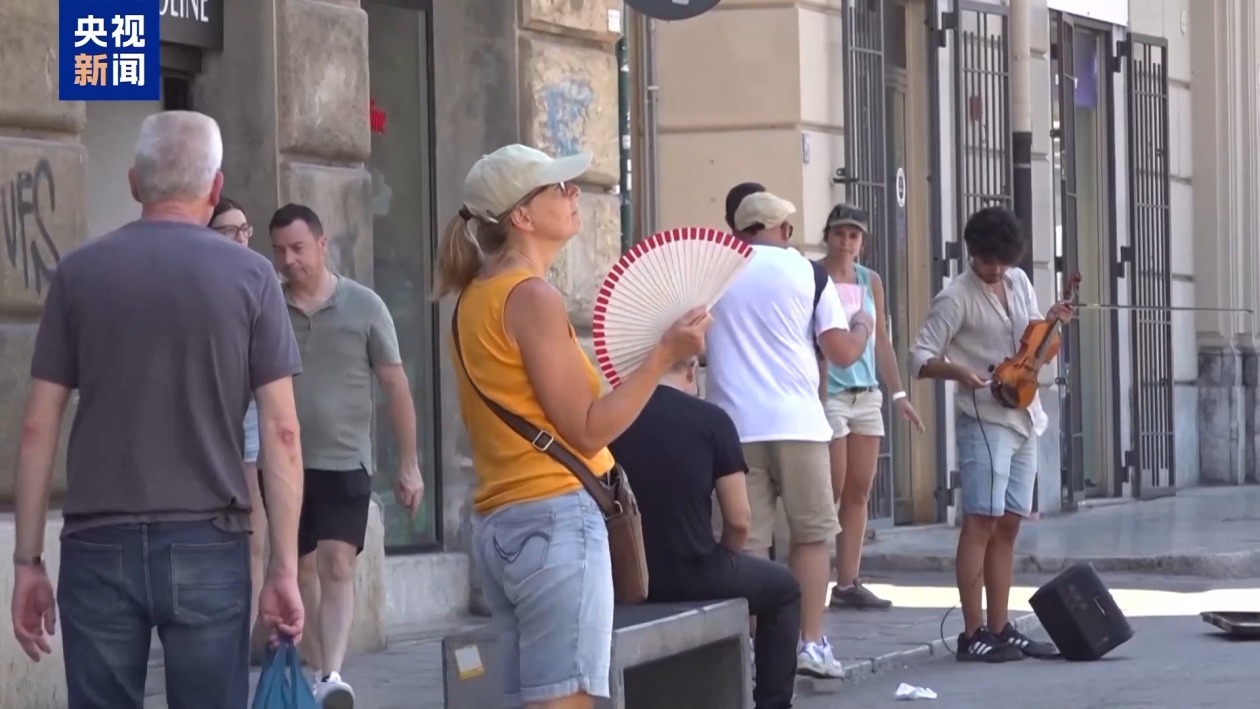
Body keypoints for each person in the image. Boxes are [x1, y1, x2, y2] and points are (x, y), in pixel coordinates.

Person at [8, 110, 306, 709]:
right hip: (208, 539)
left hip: (97, 542)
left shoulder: (77, 275)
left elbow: (38, 427)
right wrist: (283, 569)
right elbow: (283, 432)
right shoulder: (253, 278)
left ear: (134, 184)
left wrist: (28, 560)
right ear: (215, 188)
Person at [433, 143, 710, 709]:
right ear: (522, 216)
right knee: (567, 700)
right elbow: (586, 430)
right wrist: (662, 357)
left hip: (503, 523)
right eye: (558, 187)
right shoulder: (532, 297)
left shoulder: (473, 299)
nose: (573, 192)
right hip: (555, 521)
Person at [705, 189, 874, 679]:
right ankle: (810, 642)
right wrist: (863, 324)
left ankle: (758, 650)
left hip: (732, 425)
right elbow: (840, 352)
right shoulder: (809, 273)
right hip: (798, 423)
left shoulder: (714, 272)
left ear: (740, 229)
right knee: (811, 535)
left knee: (750, 541)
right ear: (782, 230)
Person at [267, 202, 425, 706]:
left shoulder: (364, 306)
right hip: (284, 464)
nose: (289, 260)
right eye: (278, 251)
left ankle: (332, 672)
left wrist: (409, 463)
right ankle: (317, 669)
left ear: (321, 243)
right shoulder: (268, 304)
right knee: (302, 570)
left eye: (297, 248)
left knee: (337, 563)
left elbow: (396, 386)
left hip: (345, 461)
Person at [909, 206, 1070, 662]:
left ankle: (1002, 626)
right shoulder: (954, 297)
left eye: (1003, 261)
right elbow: (918, 356)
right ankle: (972, 631)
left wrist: (1053, 323)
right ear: (972, 252)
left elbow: (1034, 339)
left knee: (1009, 524)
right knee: (980, 519)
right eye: (988, 262)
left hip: (1024, 413)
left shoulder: (1018, 281)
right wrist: (958, 370)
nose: (996, 270)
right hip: (983, 416)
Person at [609, 356, 801, 709]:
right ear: (691, 368)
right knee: (785, 589)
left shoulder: (612, 419)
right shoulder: (711, 420)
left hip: (624, 580)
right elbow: (740, 519)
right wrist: (725, 556)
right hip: (695, 571)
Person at [817, 203, 925, 611]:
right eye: (840, 234)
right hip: (829, 393)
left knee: (859, 490)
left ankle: (848, 582)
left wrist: (898, 395)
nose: (846, 242)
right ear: (827, 235)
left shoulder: (870, 280)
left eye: (854, 236)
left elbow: (881, 342)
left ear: (862, 242)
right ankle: (812, 575)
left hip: (866, 393)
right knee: (831, 486)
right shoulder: (814, 275)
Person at [209, 197, 270, 637]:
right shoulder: (196, 279)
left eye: (245, 229)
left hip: (248, 416)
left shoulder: (257, 280)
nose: (241, 239)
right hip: (203, 420)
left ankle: (247, 633)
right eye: (229, 231)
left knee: (253, 532)